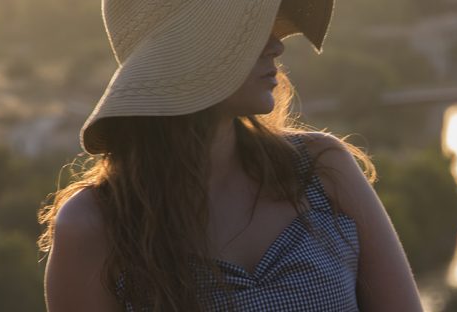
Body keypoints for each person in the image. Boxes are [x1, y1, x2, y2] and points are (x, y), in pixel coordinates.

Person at [37, 0, 424, 311]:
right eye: (250, 29)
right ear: (191, 50)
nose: (277, 44)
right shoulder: (94, 227)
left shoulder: (322, 168)